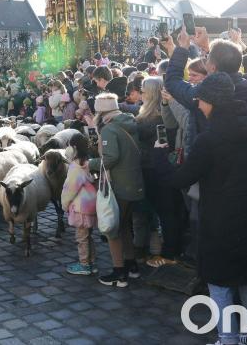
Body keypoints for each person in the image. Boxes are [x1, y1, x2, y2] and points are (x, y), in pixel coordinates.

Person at [154, 73, 247, 345]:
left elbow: (181, 179)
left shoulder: (209, 139)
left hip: (220, 221)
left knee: (220, 284)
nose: (199, 105)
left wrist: (160, 158)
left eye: (201, 100)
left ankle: (228, 339)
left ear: (213, 102)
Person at [88, 93, 145, 288]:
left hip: (119, 185)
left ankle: (119, 272)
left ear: (101, 111)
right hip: (135, 183)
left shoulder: (110, 129)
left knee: (112, 228)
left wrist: (90, 163)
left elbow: (111, 158)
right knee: (124, 226)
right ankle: (131, 265)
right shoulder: (129, 123)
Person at [136, 77, 187, 267]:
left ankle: (169, 253)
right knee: (169, 211)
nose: (141, 93)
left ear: (150, 93)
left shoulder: (154, 117)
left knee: (166, 211)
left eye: (143, 90)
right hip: (164, 166)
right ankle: (171, 249)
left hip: (155, 168)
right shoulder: (163, 114)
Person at [62, 133, 98, 276]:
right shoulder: (88, 163)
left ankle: (84, 264)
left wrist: (65, 203)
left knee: (81, 237)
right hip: (91, 205)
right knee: (88, 236)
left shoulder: (75, 167)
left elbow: (70, 188)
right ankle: (91, 262)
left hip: (80, 207)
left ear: (74, 147)